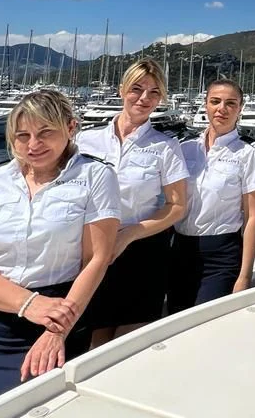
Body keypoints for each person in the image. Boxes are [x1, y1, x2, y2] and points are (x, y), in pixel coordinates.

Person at [0, 90, 119, 410]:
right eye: (23, 135)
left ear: (69, 129)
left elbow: (96, 260)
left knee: (42, 408)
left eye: (45, 132)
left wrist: (58, 328)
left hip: (59, 314)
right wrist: (28, 303)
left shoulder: (95, 176)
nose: (33, 144)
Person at [76, 58, 188, 345]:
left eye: (154, 92)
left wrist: (130, 234)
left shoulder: (165, 146)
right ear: (121, 89)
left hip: (144, 252)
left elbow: (177, 206)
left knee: (129, 342)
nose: (144, 98)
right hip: (91, 249)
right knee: (94, 339)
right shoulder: (86, 140)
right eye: (137, 89)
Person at [168, 79, 255, 311]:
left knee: (205, 324)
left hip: (221, 256)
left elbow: (252, 217)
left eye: (230, 103)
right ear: (206, 104)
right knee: (173, 320)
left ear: (240, 108)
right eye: (215, 101)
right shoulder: (185, 148)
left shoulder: (247, 153)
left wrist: (245, 276)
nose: (222, 108)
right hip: (181, 251)